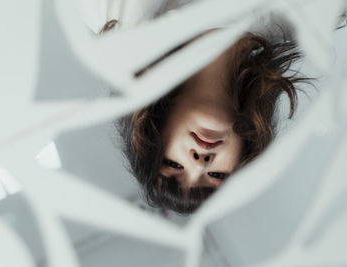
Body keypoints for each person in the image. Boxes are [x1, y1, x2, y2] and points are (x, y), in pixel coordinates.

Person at [116, 25, 312, 214]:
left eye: (174, 164)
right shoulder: (306, 23)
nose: (200, 164)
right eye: (217, 175)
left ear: (152, 132)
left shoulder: (125, 17)